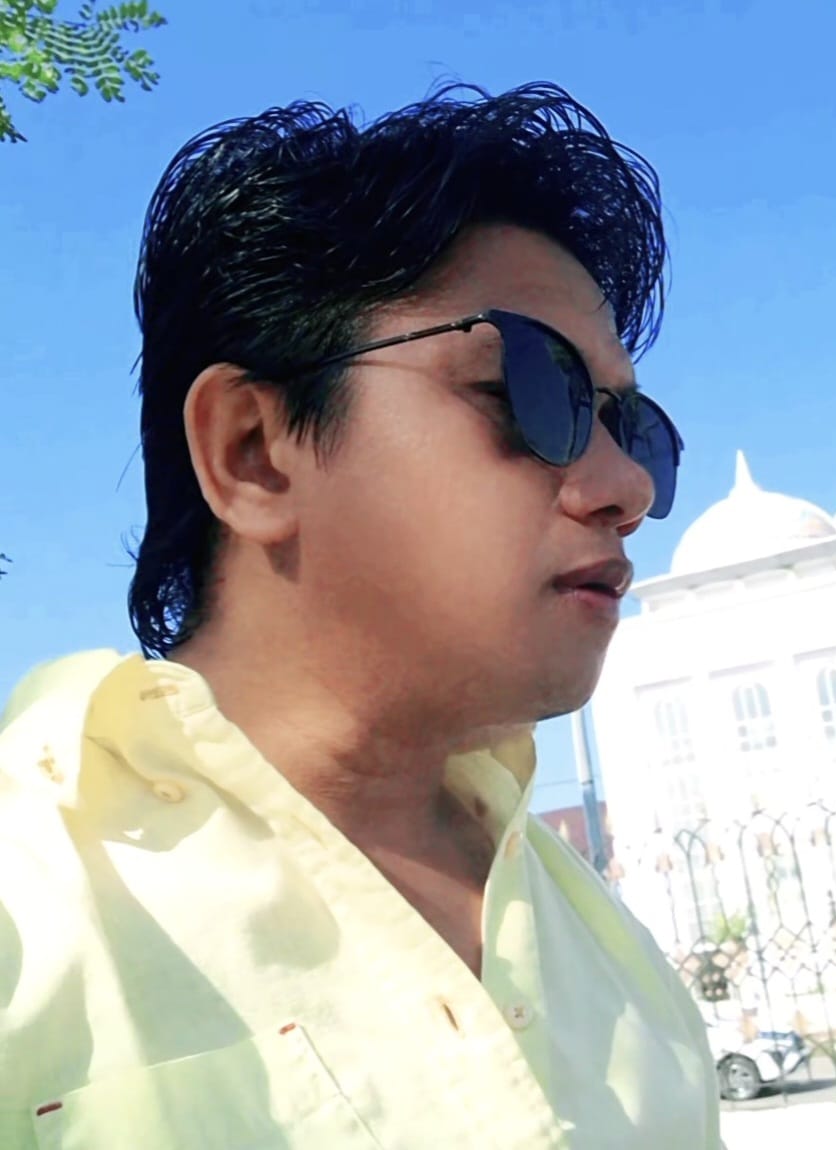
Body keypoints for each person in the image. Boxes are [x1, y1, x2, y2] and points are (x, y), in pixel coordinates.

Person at [0, 82, 722, 1147]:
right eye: (534, 389)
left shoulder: (609, 955)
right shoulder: (30, 903)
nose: (628, 486)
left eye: (634, 426)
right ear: (253, 452)